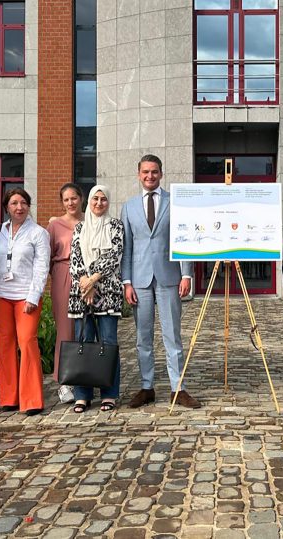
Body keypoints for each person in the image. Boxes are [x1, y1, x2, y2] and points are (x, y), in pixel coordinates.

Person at [120, 154, 200, 409]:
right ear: (138, 174)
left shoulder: (174, 202)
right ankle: (147, 387)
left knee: (172, 335)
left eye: (154, 172)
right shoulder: (129, 207)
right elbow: (127, 248)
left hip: (169, 277)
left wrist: (186, 274)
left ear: (161, 174)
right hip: (140, 280)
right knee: (143, 337)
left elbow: (183, 239)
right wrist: (127, 282)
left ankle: (179, 388)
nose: (150, 176)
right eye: (145, 172)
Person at [0, 188, 50, 415]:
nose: (19, 207)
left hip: (26, 295)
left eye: (23, 202)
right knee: (5, 344)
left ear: (29, 206)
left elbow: (42, 267)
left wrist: (34, 295)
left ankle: (31, 399)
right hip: (0, 293)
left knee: (27, 341)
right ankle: (9, 397)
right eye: (14, 203)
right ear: (7, 207)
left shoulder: (38, 233)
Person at [68, 185, 124, 412]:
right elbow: (75, 257)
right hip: (82, 294)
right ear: (89, 201)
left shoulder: (116, 226)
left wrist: (94, 280)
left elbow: (115, 255)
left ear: (108, 202)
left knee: (108, 342)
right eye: (95, 199)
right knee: (84, 343)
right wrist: (85, 282)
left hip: (107, 291)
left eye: (103, 199)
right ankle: (82, 395)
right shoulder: (80, 227)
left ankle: (109, 394)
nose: (99, 203)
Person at [47, 183, 83, 404]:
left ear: (81, 198)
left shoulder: (90, 223)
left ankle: (85, 377)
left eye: (74, 198)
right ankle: (64, 382)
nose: (70, 203)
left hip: (87, 279)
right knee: (65, 330)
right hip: (63, 274)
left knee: (85, 329)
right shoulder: (54, 225)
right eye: (66, 199)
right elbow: (46, 255)